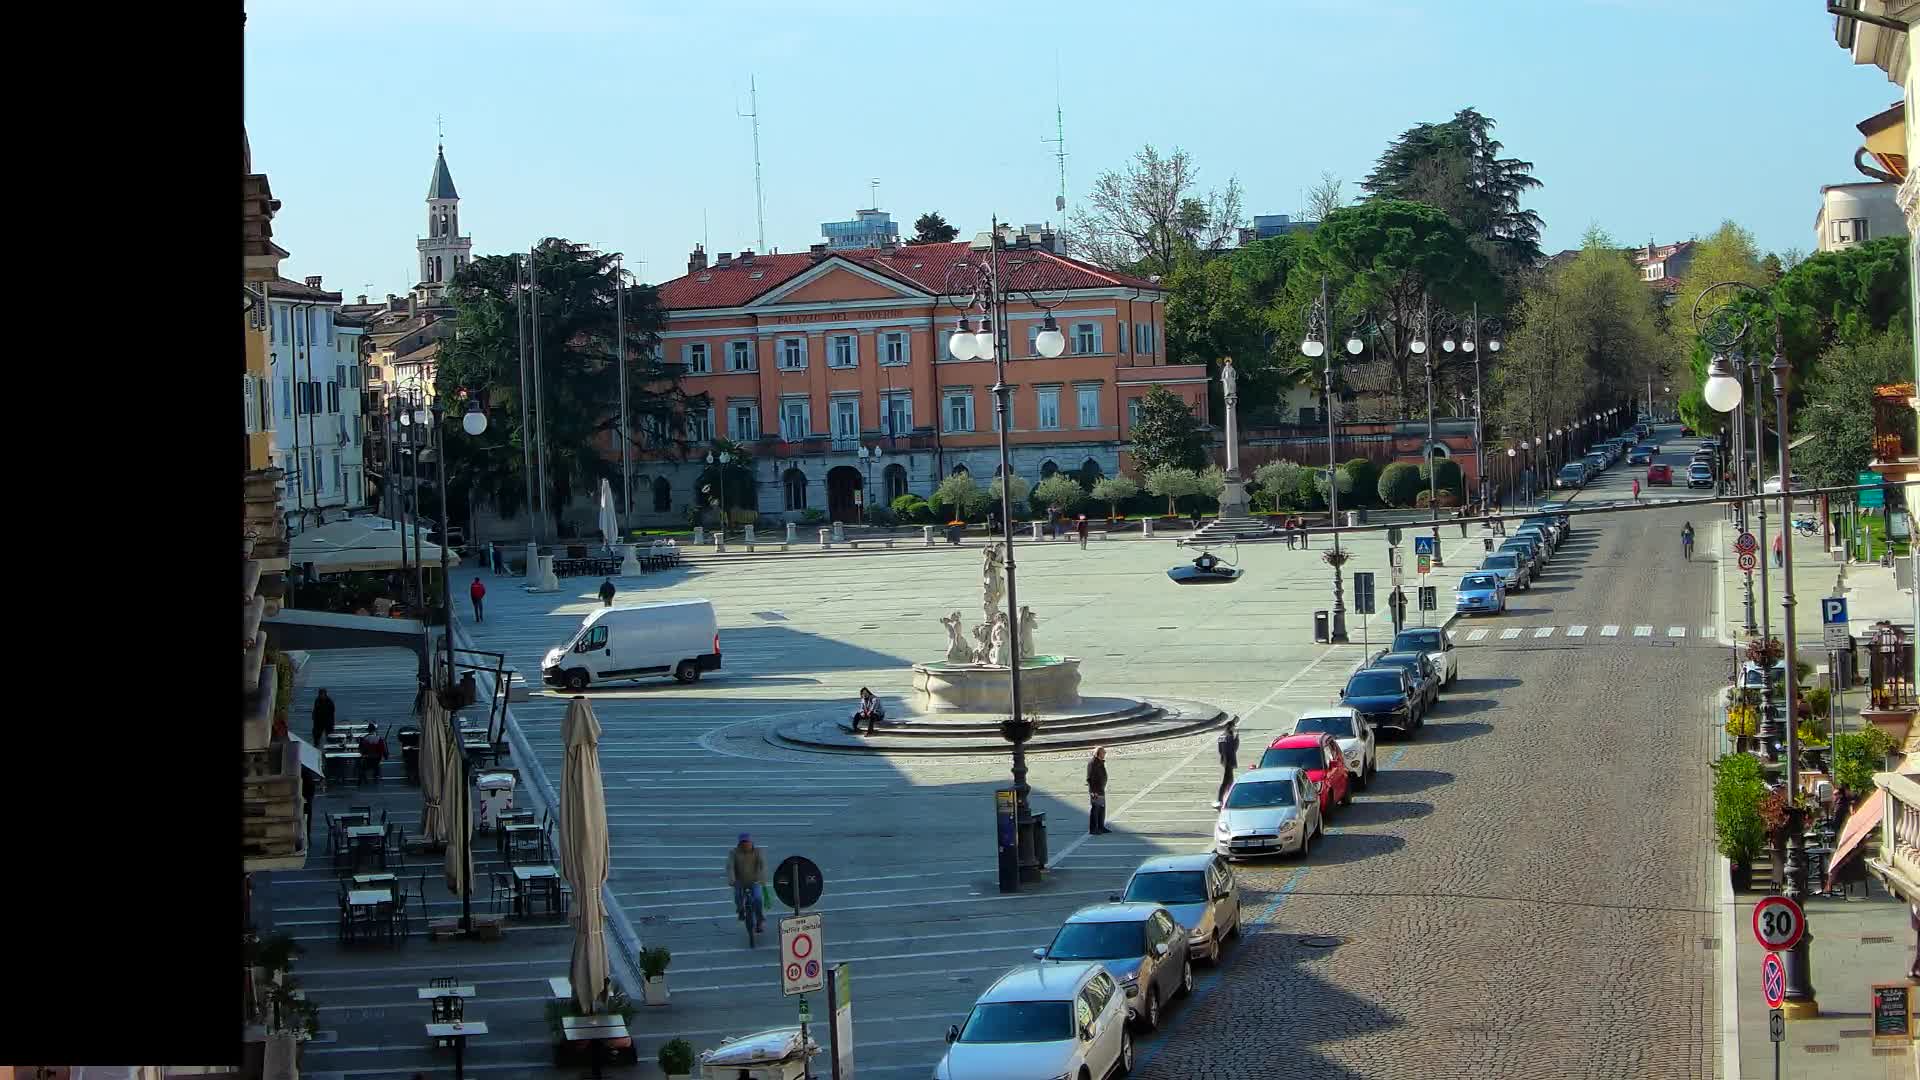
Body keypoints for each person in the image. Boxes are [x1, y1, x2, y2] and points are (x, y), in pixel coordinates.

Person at [727, 833, 766, 933]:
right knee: (737, 895)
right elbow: (730, 867)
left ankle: (759, 921)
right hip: (739, 881)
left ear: (751, 842)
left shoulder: (757, 852)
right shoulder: (734, 853)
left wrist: (762, 878)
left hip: (754, 880)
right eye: (743, 842)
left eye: (747, 842)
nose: (746, 844)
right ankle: (740, 910)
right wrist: (732, 880)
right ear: (739, 843)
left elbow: (762, 865)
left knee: (758, 899)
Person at [1214, 719, 1239, 809]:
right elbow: (1233, 749)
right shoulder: (1229, 737)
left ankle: (1229, 797)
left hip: (1224, 761)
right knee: (1226, 782)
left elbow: (1220, 750)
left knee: (1230, 781)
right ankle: (1220, 800)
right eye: (1233, 727)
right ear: (1230, 727)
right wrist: (1237, 740)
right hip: (1229, 761)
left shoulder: (1222, 736)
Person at [1087, 746, 1110, 835]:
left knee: (1101, 808)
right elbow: (1089, 778)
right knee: (1095, 808)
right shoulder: (1092, 763)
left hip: (1101, 789)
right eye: (1104, 752)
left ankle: (1101, 826)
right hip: (1096, 790)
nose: (1105, 754)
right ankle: (1093, 829)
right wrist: (1093, 791)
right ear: (1099, 753)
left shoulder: (1100, 762)